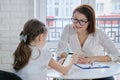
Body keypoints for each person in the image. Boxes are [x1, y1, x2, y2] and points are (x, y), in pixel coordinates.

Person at [56, 4, 120, 80]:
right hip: (77, 69)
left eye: (82, 21)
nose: (77, 24)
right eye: (75, 19)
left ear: (90, 22)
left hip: (98, 69)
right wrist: (72, 58)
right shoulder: (68, 28)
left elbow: (116, 55)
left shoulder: (99, 33)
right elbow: (60, 51)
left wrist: (93, 58)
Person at [13, 19, 78, 80]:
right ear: (40, 37)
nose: (45, 41)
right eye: (45, 38)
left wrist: (56, 64)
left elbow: (34, 68)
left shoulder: (21, 50)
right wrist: (72, 60)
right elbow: (64, 71)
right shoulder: (43, 52)